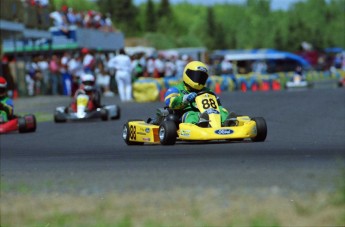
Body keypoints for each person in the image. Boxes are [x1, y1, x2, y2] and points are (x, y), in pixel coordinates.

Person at [163, 61, 233, 127]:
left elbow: (215, 105)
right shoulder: (176, 89)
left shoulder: (207, 90)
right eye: (195, 76)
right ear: (187, 74)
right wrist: (185, 99)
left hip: (207, 112)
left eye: (201, 77)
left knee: (222, 111)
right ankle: (200, 124)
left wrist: (217, 102)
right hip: (185, 113)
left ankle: (228, 123)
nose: (198, 79)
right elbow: (170, 102)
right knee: (192, 115)